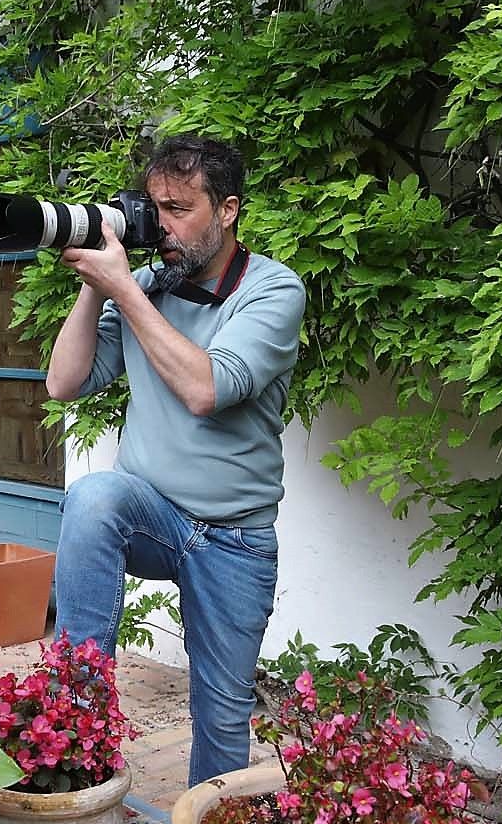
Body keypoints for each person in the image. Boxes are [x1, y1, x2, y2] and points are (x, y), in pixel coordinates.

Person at [44, 134, 306, 786]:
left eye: (180, 208)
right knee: (93, 496)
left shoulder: (273, 290)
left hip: (233, 539)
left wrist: (125, 293)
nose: (161, 224)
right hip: (152, 517)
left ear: (227, 210)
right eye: (153, 206)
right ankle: (79, 725)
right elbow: (64, 383)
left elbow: (205, 390)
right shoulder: (141, 283)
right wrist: (94, 285)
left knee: (220, 718)